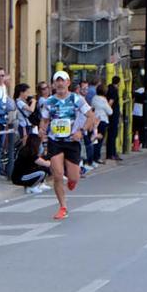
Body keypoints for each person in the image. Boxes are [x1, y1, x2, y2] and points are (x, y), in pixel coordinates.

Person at [39, 70, 96, 220]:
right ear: (53, 84)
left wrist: (81, 131)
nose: (59, 83)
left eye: (62, 80)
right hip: (55, 141)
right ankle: (62, 207)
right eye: (57, 81)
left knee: (74, 176)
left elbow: (91, 116)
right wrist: (42, 129)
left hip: (72, 141)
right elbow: (44, 120)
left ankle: (72, 180)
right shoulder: (49, 102)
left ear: (68, 83)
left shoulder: (77, 99)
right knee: (57, 175)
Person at [91, 84, 112, 164]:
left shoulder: (94, 98)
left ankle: (92, 156)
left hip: (94, 120)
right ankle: (97, 157)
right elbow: (110, 111)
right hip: (102, 120)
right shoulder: (103, 100)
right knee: (100, 140)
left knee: (94, 139)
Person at [106, 76, 122, 161]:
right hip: (113, 115)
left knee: (110, 135)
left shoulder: (109, 88)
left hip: (111, 114)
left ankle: (110, 153)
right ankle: (112, 153)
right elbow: (111, 102)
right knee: (113, 134)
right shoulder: (114, 91)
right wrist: (108, 112)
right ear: (118, 82)